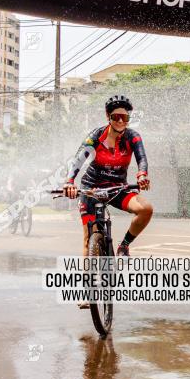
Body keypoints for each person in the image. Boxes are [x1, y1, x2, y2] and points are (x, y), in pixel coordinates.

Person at [63, 95, 152, 259]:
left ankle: (124, 245)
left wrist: (142, 176)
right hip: (91, 189)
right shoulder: (95, 137)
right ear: (108, 117)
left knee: (146, 210)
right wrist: (69, 182)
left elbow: (142, 158)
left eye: (124, 117)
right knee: (88, 239)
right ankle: (88, 282)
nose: (120, 121)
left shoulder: (133, 137)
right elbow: (77, 161)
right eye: (115, 117)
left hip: (117, 188)